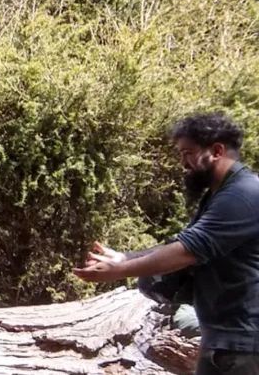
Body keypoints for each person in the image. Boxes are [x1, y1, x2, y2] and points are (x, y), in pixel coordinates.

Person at [74, 112, 259, 375]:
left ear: (217, 150)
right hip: (223, 340)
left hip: (244, 345)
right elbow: (183, 242)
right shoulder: (220, 194)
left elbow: (188, 250)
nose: (183, 163)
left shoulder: (244, 195)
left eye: (188, 153)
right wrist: (125, 258)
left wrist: (121, 272)